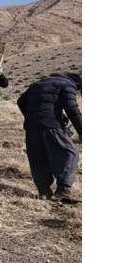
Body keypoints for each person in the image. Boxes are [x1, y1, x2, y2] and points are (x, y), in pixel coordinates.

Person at [17, 73, 82, 203]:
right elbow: (72, 109)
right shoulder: (68, 85)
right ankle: (63, 191)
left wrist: (32, 115)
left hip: (32, 126)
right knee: (69, 153)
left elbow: (21, 101)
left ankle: (44, 191)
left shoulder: (37, 84)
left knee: (39, 156)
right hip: (51, 125)